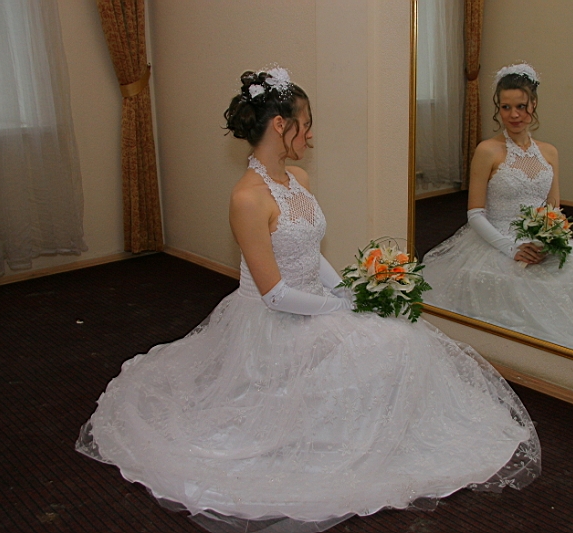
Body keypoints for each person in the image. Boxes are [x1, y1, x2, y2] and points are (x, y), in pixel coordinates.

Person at [76, 66, 540, 533]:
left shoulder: (298, 178)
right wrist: (341, 308)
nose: (311, 135)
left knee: (400, 336)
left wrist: (346, 290)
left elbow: (309, 253)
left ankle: (377, 431)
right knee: (382, 347)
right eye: (307, 124)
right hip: (274, 320)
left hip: (315, 301)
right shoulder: (247, 198)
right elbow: (275, 293)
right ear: (281, 125)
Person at [422, 63, 573, 372]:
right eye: (506, 107)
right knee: (525, 288)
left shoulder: (549, 152)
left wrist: (551, 240)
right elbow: (475, 213)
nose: (514, 115)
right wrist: (511, 248)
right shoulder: (488, 150)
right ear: (498, 108)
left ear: (533, 105)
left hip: (539, 238)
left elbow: (554, 208)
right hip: (496, 239)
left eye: (521, 106)